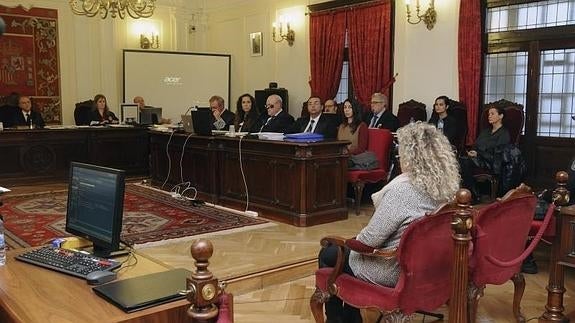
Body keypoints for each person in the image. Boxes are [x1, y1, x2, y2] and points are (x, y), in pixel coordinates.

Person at [318, 122, 460, 322]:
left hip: (394, 270)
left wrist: (347, 241)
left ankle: (340, 319)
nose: (399, 157)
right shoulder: (448, 188)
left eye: (400, 152)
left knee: (329, 252)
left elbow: (368, 242)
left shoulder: (402, 191)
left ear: (411, 156)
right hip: (430, 266)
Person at [460, 106, 510, 200]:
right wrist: (473, 151)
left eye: (492, 114)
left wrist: (478, 154)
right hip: (477, 159)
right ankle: (468, 192)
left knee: (464, 162)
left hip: (492, 162)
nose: (489, 116)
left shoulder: (504, 133)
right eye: (488, 114)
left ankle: (473, 194)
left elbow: (498, 154)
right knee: (460, 160)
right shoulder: (486, 131)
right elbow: (476, 145)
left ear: (501, 116)